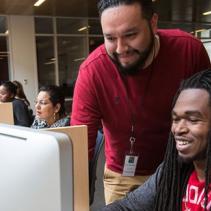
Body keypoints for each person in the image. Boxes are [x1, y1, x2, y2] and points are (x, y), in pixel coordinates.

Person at [71, 0, 211, 204]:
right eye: (110, 38)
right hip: (122, 174)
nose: (120, 49)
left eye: (130, 35)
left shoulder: (188, 50)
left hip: (177, 166)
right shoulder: (92, 72)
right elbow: (81, 148)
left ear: (153, 23)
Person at [101, 69, 211, 210]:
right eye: (176, 119)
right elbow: (128, 206)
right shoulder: (172, 171)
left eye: (193, 119)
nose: (179, 129)